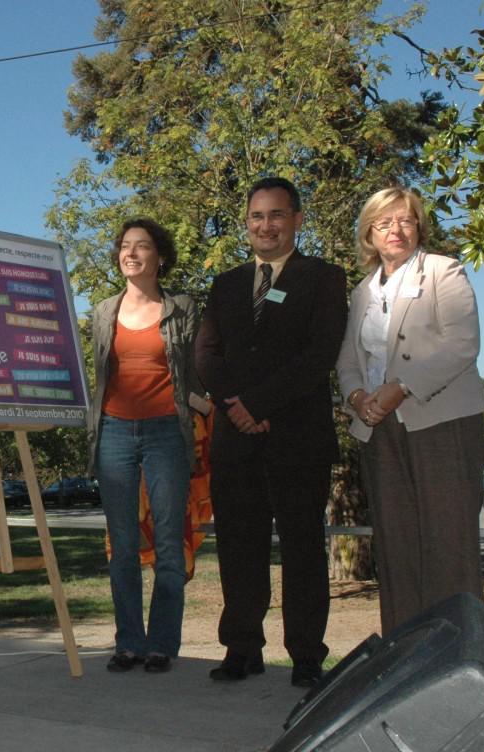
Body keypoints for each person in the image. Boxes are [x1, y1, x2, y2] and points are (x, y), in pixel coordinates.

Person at [195, 177, 347, 688]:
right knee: (240, 547)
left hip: (297, 438)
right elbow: (206, 356)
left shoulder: (324, 279)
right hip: (236, 443)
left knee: (303, 549)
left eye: (277, 215)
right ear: (248, 223)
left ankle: (306, 655)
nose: (266, 225)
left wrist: (257, 404)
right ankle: (242, 647)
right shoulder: (226, 285)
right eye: (257, 217)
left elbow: (320, 354)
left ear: (297, 220)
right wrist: (236, 408)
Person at [337, 186, 484, 636]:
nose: (395, 230)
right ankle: (404, 652)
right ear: (369, 233)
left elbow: (462, 344)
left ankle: (458, 653)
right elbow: (348, 361)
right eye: (384, 223)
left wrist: (400, 388)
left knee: (449, 548)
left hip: (442, 426)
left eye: (405, 220)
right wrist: (359, 398)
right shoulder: (362, 292)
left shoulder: (445, 271)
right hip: (379, 432)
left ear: (419, 225)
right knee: (397, 549)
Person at [88, 218, 199, 674]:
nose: (130, 253)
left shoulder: (183, 307)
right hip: (113, 432)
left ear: (159, 256)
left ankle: (161, 644)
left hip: (166, 433)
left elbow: (196, 369)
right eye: (124, 246)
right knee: (123, 545)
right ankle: (128, 642)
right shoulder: (101, 311)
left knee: (170, 543)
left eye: (142, 246)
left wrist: (204, 403)